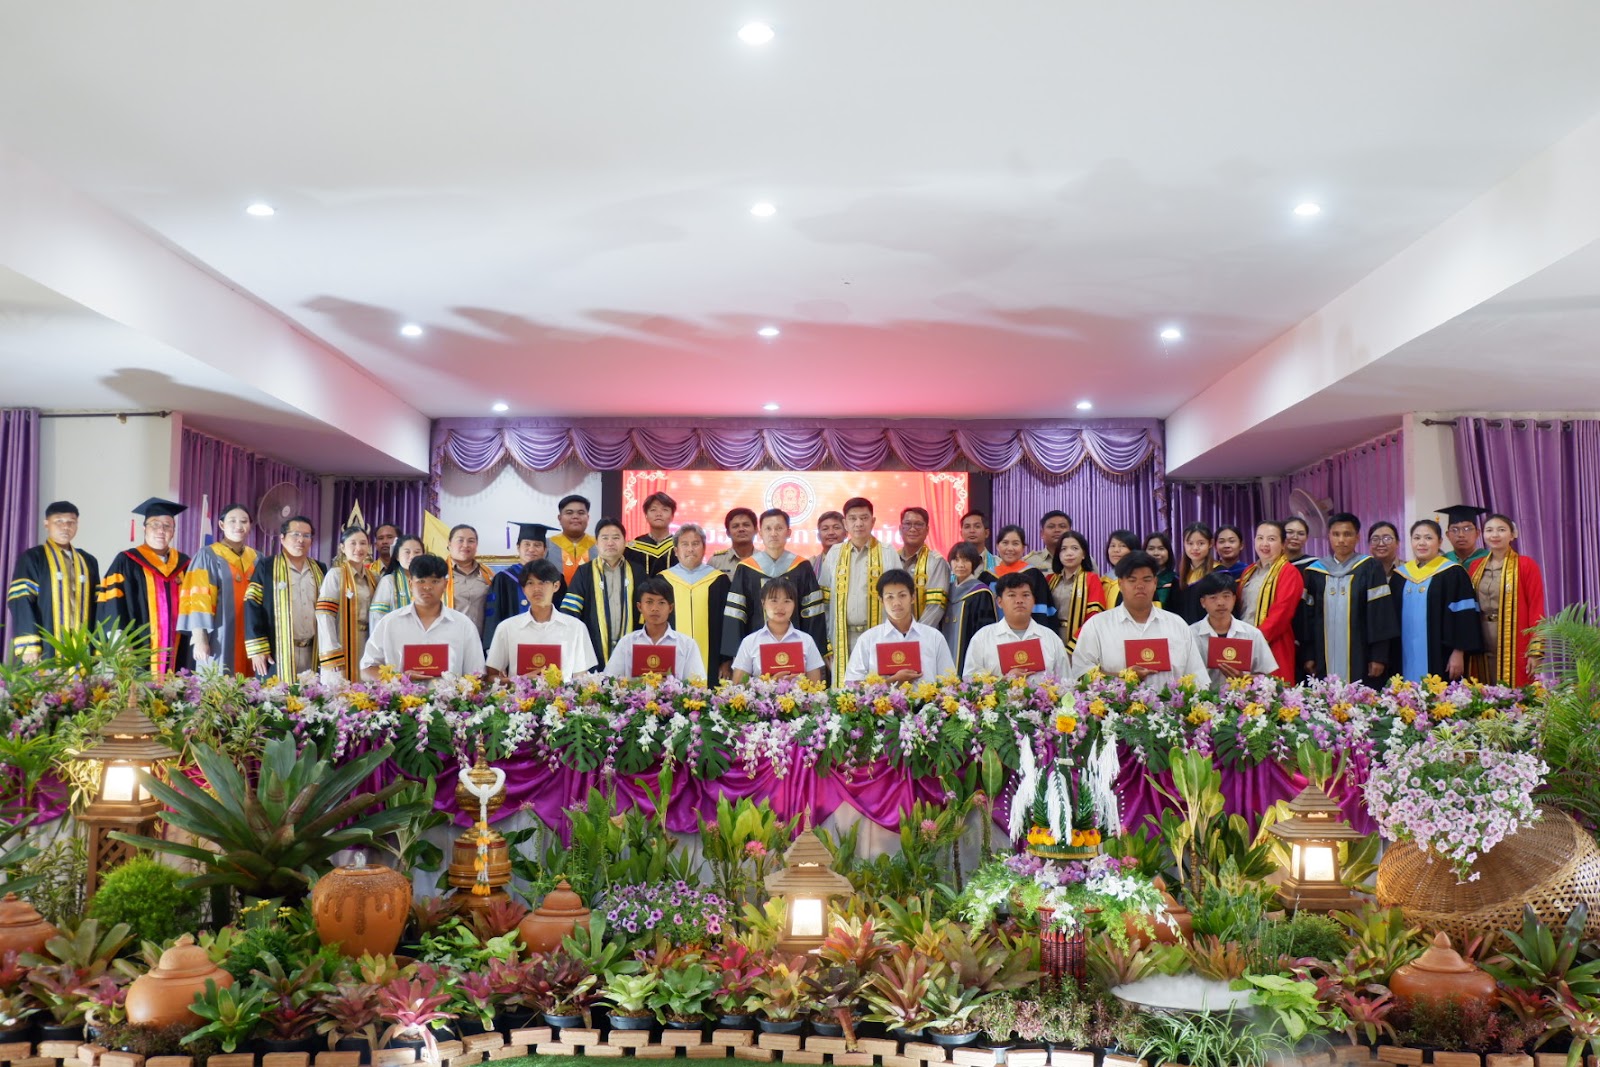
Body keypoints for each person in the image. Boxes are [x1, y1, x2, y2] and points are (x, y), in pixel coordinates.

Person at [1071, 551, 1206, 686]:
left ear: (1155, 583)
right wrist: (1122, 677)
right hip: (1114, 701)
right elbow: (1081, 674)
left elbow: (1198, 678)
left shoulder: (1177, 625)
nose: (1140, 585)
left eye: (1146, 580)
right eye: (1132, 580)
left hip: (1172, 700)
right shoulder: (1097, 626)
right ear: (1120, 584)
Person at [1298, 512, 1398, 686]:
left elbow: (1380, 615)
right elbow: (1308, 618)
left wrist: (1378, 656)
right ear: (1329, 536)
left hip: (1361, 654)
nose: (1341, 540)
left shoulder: (1370, 568)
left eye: (1347, 534)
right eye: (1336, 534)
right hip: (1323, 654)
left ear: (1357, 537)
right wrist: (1309, 654)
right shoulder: (1315, 572)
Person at [722, 509, 828, 671]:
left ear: (788, 533)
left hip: (796, 646)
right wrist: (733, 655)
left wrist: (816, 652)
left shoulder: (802, 567)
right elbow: (736, 614)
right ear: (760, 533)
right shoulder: (746, 568)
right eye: (768, 528)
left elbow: (813, 614)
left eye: (779, 528)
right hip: (755, 648)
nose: (773, 533)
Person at [95, 498, 191, 676]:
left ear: (173, 532)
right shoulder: (126, 561)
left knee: (178, 690)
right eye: (155, 524)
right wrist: (120, 641)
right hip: (136, 649)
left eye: (167, 526)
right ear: (144, 528)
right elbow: (112, 604)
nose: (161, 530)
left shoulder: (185, 564)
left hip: (178, 650)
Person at [361, 553, 485, 680]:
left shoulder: (463, 625)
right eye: (421, 581)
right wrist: (399, 679)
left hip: (451, 693)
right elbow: (367, 669)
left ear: (445, 584)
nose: (427, 587)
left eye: (435, 581)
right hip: (400, 693)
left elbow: (477, 674)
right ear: (410, 584)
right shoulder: (389, 623)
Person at [819, 497, 902, 683]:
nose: (858, 524)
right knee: (844, 692)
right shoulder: (834, 553)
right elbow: (824, 602)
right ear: (845, 523)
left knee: (877, 690)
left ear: (873, 521)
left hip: (878, 636)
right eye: (853, 518)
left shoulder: (887, 552)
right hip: (842, 637)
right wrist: (827, 642)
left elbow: (899, 600)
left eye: (864, 518)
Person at [8, 500, 100, 664]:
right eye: (59, 521)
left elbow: (98, 604)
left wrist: (97, 645)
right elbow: (21, 600)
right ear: (46, 524)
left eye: (71, 522)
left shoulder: (88, 561)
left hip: (81, 648)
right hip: (45, 647)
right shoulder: (33, 557)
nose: (65, 527)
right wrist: (29, 645)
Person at [1395, 520, 1482, 682]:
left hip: (1442, 655)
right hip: (1403, 656)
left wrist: (1459, 652)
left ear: (1440, 541)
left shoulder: (1453, 573)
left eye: (1428, 538)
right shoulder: (1399, 576)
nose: (1422, 543)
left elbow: (1465, 617)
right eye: (1416, 538)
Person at [178, 502, 259, 674]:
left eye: (244, 521)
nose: (239, 526)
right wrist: (200, 638)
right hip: (219, 635)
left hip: (251, 637)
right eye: (232, 521)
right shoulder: (208, 555)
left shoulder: (257, 558)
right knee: (219, 682)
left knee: (251, 685)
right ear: (222, 525)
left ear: (250, 526)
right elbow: (198, 599)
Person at [1467, 513, 1546, 687]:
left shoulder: (1526, 565)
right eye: (1489, 530)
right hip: (1481, 635)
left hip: (1514, 638)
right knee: (1482, 689)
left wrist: (1535, 651)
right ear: (1483, 535)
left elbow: (1536, 608)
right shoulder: (1475, 566)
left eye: (1501, 530)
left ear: (1512, 534)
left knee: (1515, 693)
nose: (1495, 535)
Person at [244, 514, 326, 681]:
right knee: (278, 696)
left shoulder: (320, 568)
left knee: (314, 695)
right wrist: (258, 649)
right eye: (295, 534)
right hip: (278, 650)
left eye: (306, 535)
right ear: (282, 538)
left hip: (314, 650)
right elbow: (252, 605)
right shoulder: (266, 566)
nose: (301, 540)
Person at [485, 559, 596, 681]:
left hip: (563, 693)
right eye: (530, 583)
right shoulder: (507, 628)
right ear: (523, 589)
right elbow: (490, 677)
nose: (537, 588)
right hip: (518, 693)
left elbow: (581, 678)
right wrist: (518, 681)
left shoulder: (576, 627)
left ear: (556, 586)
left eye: (543, 582)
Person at [844, 569, 956, 683]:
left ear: (913, 597)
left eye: (902, 595)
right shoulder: (868, 639)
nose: (896, 603)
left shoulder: (934, 637)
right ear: (881, 600)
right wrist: (892, 681)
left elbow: (949, 681)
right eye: (890, 597)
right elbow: (852, 683)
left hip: (927, 695)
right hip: (883, 696)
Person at [560, 517, 644, 664]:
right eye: (605, 538)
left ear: (625, 542)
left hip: (632, 650)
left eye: (616, 538)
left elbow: (646, 612)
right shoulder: (584, 572)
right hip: (592, 651)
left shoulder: (638, 572)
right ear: (596, 543)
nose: (610, 542)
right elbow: (570, 614)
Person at [962, 572, 1071, 681]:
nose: (1019, 601)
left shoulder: (1051, 638)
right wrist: (1002, 680)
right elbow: (969, 679)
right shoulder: (983, 638)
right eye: (1012, 595)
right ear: (999, 602)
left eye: (1026, 595)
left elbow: (1066, 680)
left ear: (1034, 601)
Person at [1232, 522, 1302, 684]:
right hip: (1243, 643)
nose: (1264, 544)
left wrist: (1256, 641)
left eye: (1271, 539)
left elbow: (1281, 613)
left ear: (1283, 544)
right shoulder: (1249, 571)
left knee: (1271, 692)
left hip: (1273, 644)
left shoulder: (1289, 572)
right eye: (1260, 538)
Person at [659, 524, 731, 679]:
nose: (690, 549)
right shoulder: (663, 581)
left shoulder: (719, 581)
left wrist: (726, 660)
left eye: (695, 544)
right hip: (669, 659)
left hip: (712, 660)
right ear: (676, 551)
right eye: (685, 544)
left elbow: (727, 625)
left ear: (704, 548)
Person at [604, 576, 707, 681]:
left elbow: (697, 683)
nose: (655, 608)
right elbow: (610, 679)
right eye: (649, 602)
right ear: (640, 607)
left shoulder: (687, 645)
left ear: (670, 608)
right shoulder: (627, 642)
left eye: (661, 603)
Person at [1187, 573, 1278, 689]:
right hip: (1201, 699)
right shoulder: (1190, 634)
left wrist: (1243, 678)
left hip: (1243, 698)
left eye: (1226, 596)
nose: (1220, 602)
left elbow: (1267, 677)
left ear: (1234, 599)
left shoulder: (1252, 634)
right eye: (1213, 597)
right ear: (1203, 602)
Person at [730, 576, 827, 683]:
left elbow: (815, 685)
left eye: (787, 601)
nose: (780, 607)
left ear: (794, 604)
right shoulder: (750, 642)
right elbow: (738, 685)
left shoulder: (806, 641)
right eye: (774, 601)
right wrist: (770, 683)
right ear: (763, 603)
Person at [315, 525, 381, 682]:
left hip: (367, 642)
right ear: (342, 548)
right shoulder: (335, 575)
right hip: (342, 642)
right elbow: (325, 614)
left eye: (363, 543)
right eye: (353, 543)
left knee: (367, 690)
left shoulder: (374, 578)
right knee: (341, 690)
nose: (359, 548)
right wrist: (331, 651)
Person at [487, 523, 566, 642]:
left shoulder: (555, 578)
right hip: (512, 640)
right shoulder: (503, 579)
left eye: (537, 545)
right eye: (527, 544)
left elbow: (563, 612)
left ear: (545, 550)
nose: (531, 549)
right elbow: (494, 615)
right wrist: (492, 644)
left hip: (550, 640)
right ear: (518, 547)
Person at [943, 543, 997, 676]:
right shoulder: (947, 590)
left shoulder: (980, 592)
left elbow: (984, 632)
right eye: (956, 560)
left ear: (974, 563)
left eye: (966, 560)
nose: (960, 565)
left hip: (968, 653)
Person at [1047, 531, 1105, 656]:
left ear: (1083, 554)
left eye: (1075, 548)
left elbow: (1094, 617)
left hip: (1080, 641)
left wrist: (1074, 645)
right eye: (1063, 549)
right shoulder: (1050, 580)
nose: (1069, 553)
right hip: (1052, 637)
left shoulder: (1091, 579)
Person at [898, 507, 950, 628]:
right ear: (900, 529)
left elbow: (935, 606)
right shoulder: (891, 558)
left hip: (924, 634)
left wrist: (915, 634)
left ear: (927, 530)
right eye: (907, 524)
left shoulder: (936, 562)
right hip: (893, 635)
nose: (912, 529)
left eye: (918, 524)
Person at [444, 524, 495, 644]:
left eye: (471, 541)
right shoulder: (438, 574)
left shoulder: (489, 575)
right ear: (449, 544)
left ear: (476, 545)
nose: (465, 545)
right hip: (448, 641)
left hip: (481, 642)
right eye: (460, 540)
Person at [370, 535, 423, 632]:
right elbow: (378, 616)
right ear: (397, 556)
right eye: (407, 552)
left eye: (417, 552)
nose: (412, 556)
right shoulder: (388, 581)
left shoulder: (428, 582)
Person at [1173, 523, 1217, 625]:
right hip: (1182, 631)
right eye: (1190, 543)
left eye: (1201, 543)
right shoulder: (1178, 577)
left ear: (1210, 543)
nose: (1195, 548)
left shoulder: (1219, 573)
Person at [626, 492, 679, 577]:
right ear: (646, 516)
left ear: (672, 516)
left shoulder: (679, 547)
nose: (659, 514)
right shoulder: (634, 548)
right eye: (653, 510)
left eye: (665, 510)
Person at [549, 494, 598, 583]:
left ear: (588, 518)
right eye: (569, 513)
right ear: (559, 518)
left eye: (581, 513)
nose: (575, 516)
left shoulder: (599, 546)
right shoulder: (547, 546)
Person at [710, 507, 759, 575]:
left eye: (746, 525)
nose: (741, 529)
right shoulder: (716, 562)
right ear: (728, 533)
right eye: (735, 526)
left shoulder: (766, 560)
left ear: (756, 530)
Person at [1100, 530, 1140, 610]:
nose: (1116, 550)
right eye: (1112, 546)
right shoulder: (1104, 581)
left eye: (1122, 546)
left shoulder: (1140, 580)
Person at [1143, 532, 1178, 607]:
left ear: (1168, 552)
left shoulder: (1176, 580)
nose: (1156, 553)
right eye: (1151, 549)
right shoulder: (1138, 580)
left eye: (1161, 548)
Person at [812, 511, 846, 576]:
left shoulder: (855, 560)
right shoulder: (811, 563)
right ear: (818, 536)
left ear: (846, 533)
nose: (831, 532)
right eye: (825, 529)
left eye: (836, 528)